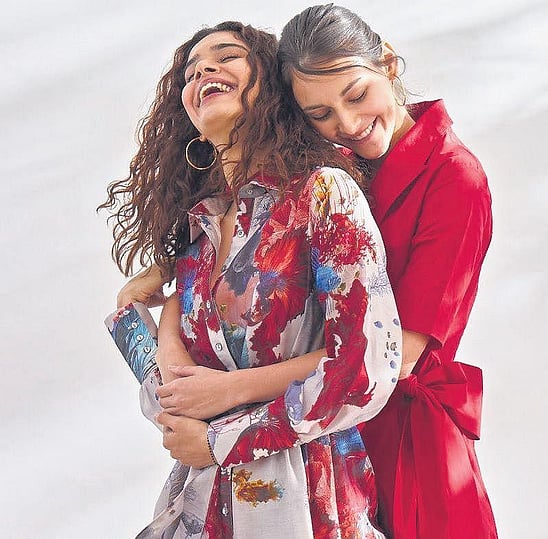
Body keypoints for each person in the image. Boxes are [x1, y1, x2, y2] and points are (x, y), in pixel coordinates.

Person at [120, 5, 498, 538]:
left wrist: (226, 398)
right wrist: (170, 272)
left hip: (393, 435)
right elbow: (254, 254)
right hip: (272, 452)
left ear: (388, 64)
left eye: (357, 95)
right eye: (319, 113)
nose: (346, 124)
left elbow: (394, 358)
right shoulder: (305, 176)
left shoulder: (447, 179)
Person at [101, 21, 401, 538]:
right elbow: (178, 394)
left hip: (308, 503)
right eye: (191, 73)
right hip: (202, 507)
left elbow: (366, 367)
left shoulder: (322, 195)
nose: (204, 72)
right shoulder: (197, 232)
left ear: (271, 86)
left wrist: (219, 437)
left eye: (225, 57)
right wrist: (141, 323)